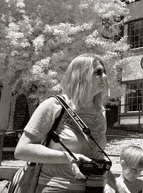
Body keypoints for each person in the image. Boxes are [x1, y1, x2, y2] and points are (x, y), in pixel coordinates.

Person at [14, 54, 119, 192]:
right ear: (80, 75)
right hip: (57, 187)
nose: (104, 76)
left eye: (104, 72)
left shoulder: (101, 111)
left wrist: (117, 186)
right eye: (98, 72)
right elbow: (22, 150)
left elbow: (96, 155)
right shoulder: (53, 106)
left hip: (95, 189)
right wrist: (66, 157)